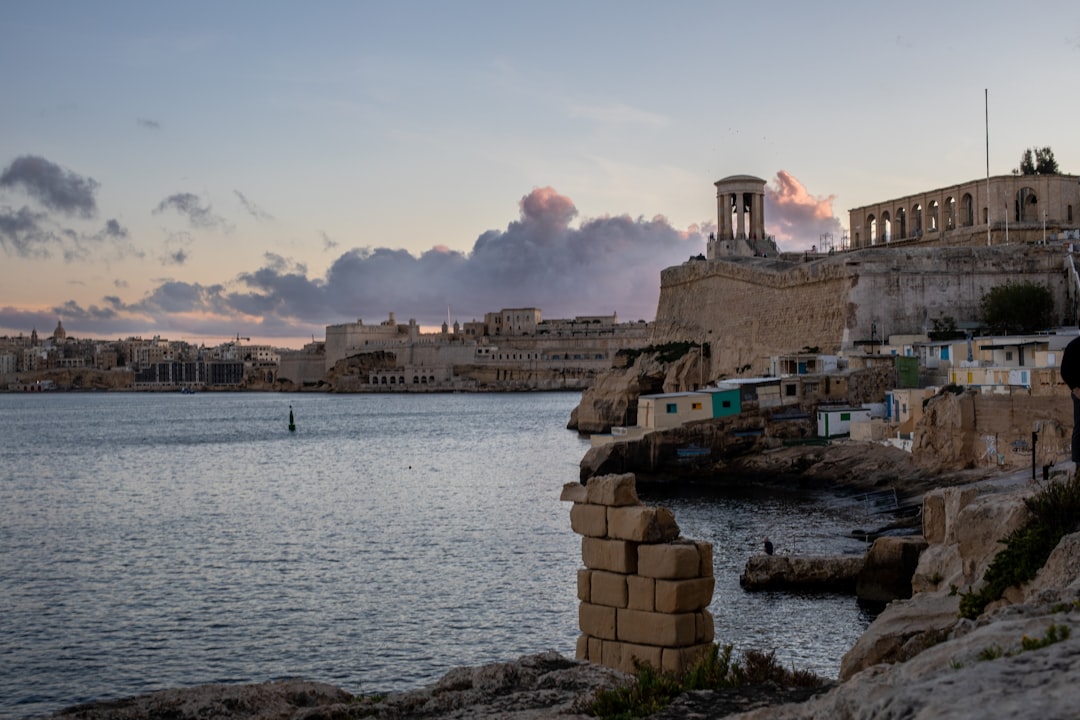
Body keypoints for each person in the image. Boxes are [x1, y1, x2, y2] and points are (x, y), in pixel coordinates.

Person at [1061, 336, 1080, 462]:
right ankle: (1078, 463)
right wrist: (1075, 388)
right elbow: (1065, 371)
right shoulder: (1074, 346)